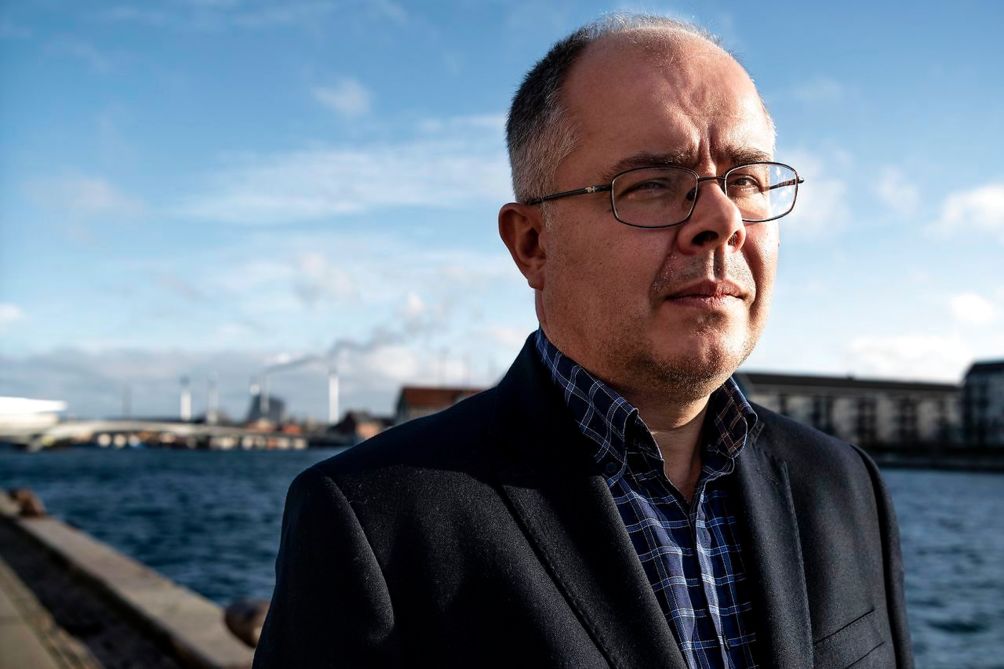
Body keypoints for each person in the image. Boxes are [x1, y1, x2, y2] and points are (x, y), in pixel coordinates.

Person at [254, 14, 913, 669]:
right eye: (652, 184)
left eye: (745, 180)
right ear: (532, 244)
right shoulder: (374, 522)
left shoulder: (844, 485)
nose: (722, 220)